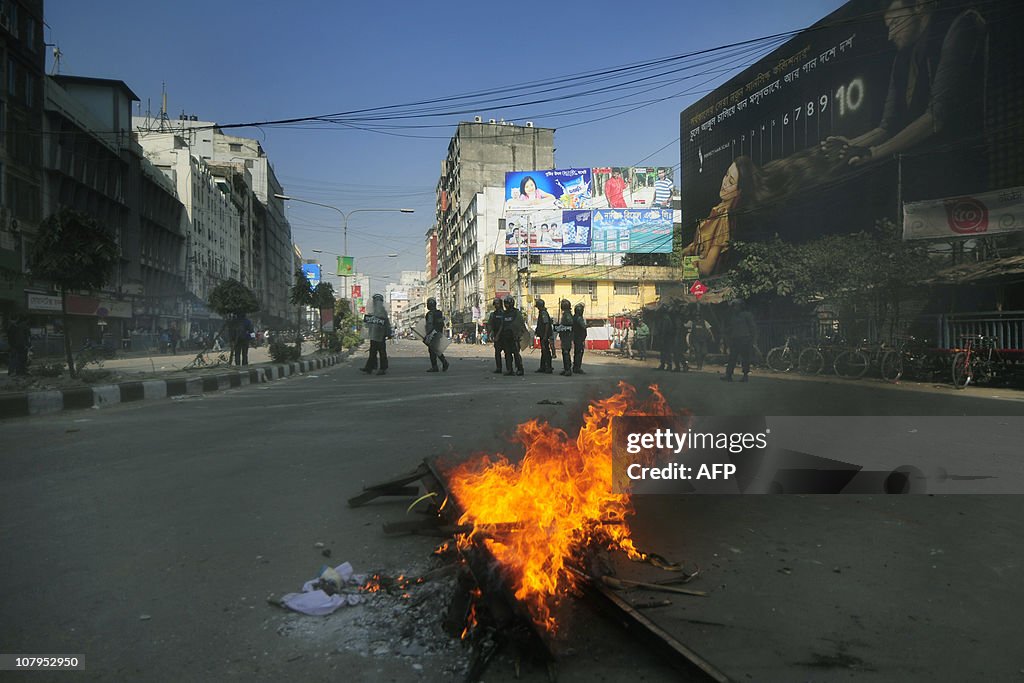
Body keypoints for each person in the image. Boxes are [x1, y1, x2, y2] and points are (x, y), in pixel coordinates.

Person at [822, 0, 988, 199]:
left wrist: (872, 153)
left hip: (960, 172)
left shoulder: (960, 24)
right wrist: (853, 143)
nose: (891, 35)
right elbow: (887, 126)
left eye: (895, 23)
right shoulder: (902, 60)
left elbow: (936, 117)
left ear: (919, 6)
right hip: (920, 179)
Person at [681, 157, 756, 277]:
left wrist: (682, 265)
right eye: (726, 175)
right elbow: (699, 244)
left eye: (731, 182)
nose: (725, 182)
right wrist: (685, 252)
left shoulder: (723, 219)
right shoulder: (716, 211)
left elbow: (706, 268)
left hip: (704, 286)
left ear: (738, 191)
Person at [721, 299, 757, 382]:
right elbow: (731, 327)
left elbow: (752, 327)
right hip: (735, 339)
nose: (734, 308)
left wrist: (753, 339)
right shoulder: (733, 316)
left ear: (741, 306)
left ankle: (745, 375)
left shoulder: (747, 315)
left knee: (745, 358)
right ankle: (728, 375)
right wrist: (726, 331)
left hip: (745, 339)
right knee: (732, 357)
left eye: (736, 306)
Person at [361, 293, 393, 375]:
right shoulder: (372, 311)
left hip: (381, 335)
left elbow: (386, 324)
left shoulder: (383, 312)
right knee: (372, 351)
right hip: (373, 334)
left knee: (381, 352)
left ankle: (383, 368)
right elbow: (368, 323)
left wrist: (388, 333)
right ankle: (370, 367)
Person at [498, 295, 524, 376]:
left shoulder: (517, 313)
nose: (506, 305)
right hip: (506, 336)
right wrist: (498, 335)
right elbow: (502, 325)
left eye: (507, 303)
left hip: (514, 337)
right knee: (507, 354)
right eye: (505, 304)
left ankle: (520, 369)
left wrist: (519, 335)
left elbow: (520, 325)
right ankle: (509, 370)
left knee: (516, 354)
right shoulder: (504, 314)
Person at [424, 297, 449, 372]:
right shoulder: (439, 313)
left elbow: (429, 324)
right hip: (438, 333)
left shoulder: (430, 314)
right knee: (436, 349)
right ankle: (443, 363)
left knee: (432, 350)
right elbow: (441, 324)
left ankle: (437, 366)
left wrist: (428, 334)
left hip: (432, 334)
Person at [686, 305, 713, 371]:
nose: (697, 317)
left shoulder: (704, 322)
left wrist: (712, 337)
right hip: (695, 340)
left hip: (703, 339)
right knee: (698, 352)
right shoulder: (692, 322)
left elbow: (709, 330)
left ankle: (700, 363)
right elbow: (687, 328)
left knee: (704, 352)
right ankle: (699, 365)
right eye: (696, 316)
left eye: (698, 315)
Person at [534, 298, 554, 373]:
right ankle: (543, 367)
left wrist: (545, 335)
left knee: (546, 351)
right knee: (543, 351)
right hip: (542, 335)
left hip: (545, 335)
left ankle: (548, 367)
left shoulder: (543, 313)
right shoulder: (541, 313)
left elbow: (546, 324)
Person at [556, 299, 574, 376]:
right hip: (565, 336)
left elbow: (569, 324)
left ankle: (568, 369)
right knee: (564, 352)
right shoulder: (566, 314)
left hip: (567, 336)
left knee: (566, 352)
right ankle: (566, 368)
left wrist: (561, 327)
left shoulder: (567, 315)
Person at [487, 298, 504, 373]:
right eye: (495, 304)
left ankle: (509, 369)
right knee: (497, 352)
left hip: (504, 335)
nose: (496, 305)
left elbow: (503, 325)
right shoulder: (492, 314)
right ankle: (499, 368)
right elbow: (490, 324)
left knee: (508, 352)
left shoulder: (504, 313)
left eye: (498, 303)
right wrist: (490, 333)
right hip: (496, 335)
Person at [571, 303, 588, 374]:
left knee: (576, 352)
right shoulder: (579, 318)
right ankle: (577, 368)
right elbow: (583, 326)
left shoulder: (574, 317)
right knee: (579, 352)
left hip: (576, 337)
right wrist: (589, 325)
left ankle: (576, 367)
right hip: (579, 337)